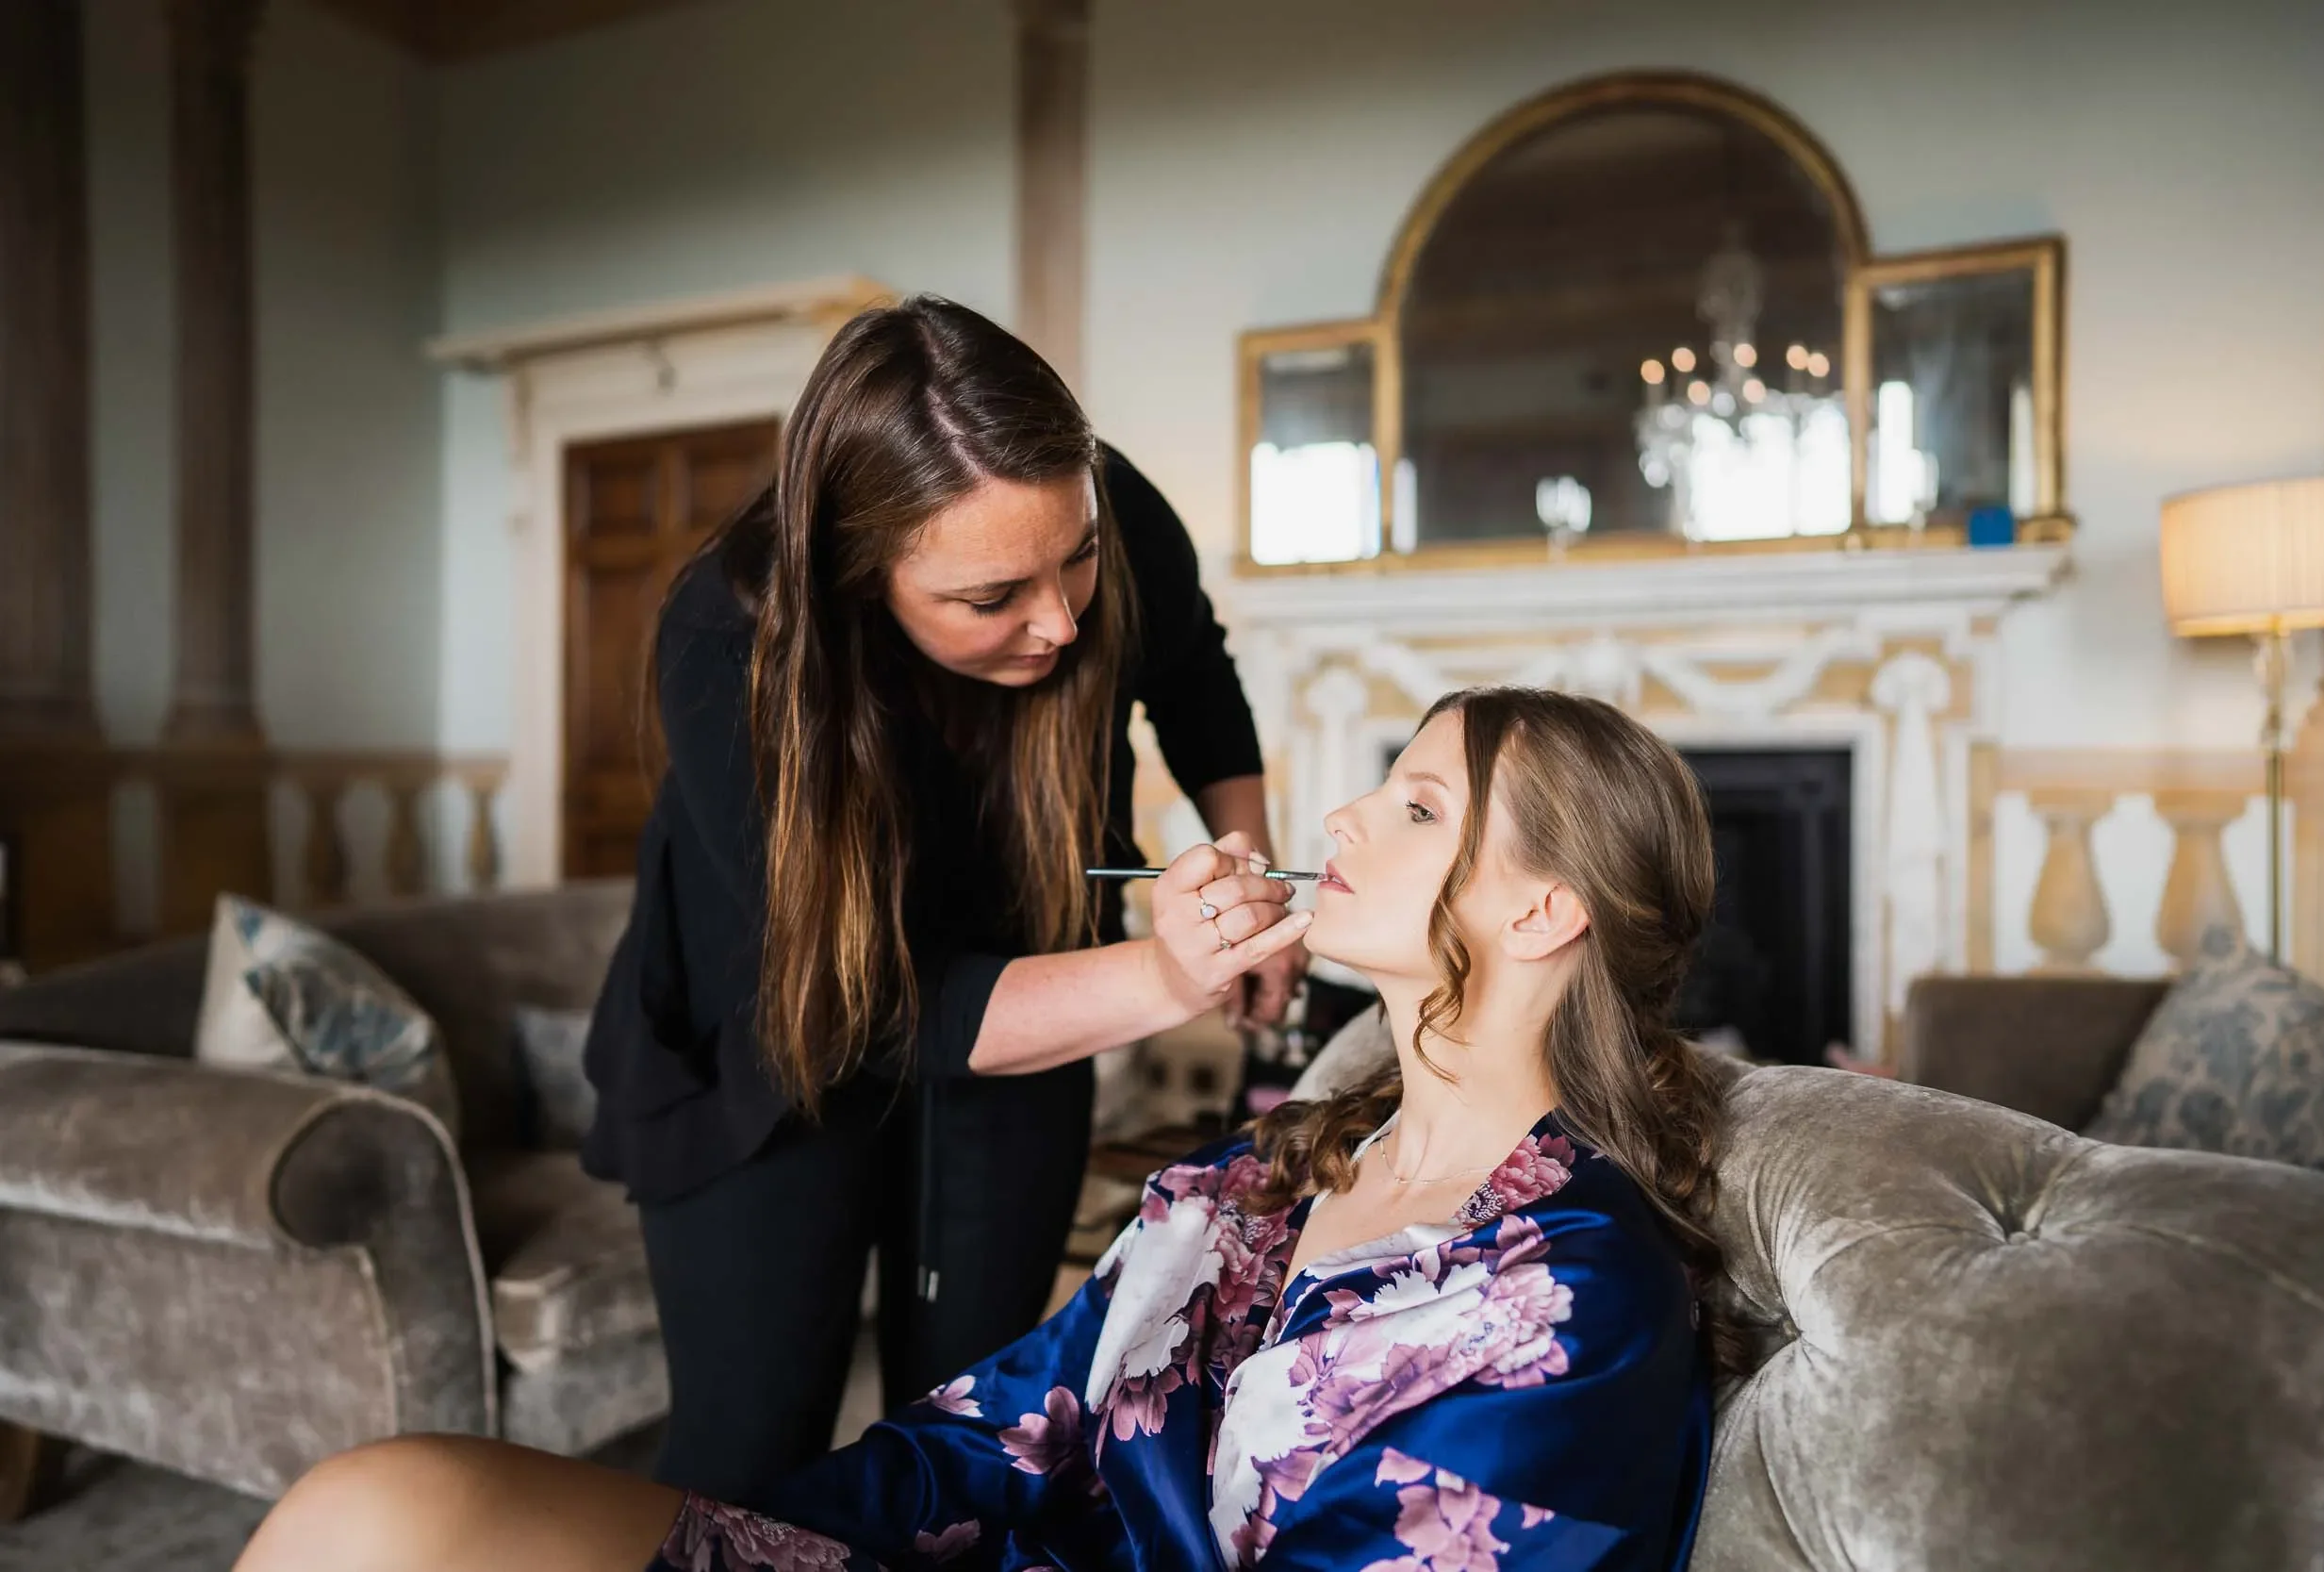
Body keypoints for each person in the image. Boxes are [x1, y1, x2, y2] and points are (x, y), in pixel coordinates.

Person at [235, 685, 1735, 1572]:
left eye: (1413, 807)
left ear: (1544, 907)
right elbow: (991, 1430)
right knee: (380, 1499)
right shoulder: (1248, 1182)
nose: (1338, 818)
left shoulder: (1570, 1295)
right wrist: (736, 1535)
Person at [578, 295, 1310, 1498]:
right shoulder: (728, 635)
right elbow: (870, 1012)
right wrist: (1168, 975)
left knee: (970, 1426)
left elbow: (1192, 674)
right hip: (776, 1043)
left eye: (1073, 560)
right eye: (994, 598)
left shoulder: (1104, 508)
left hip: (1021, 1011)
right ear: (867, 576)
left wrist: (1255, 863)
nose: (1063, 622)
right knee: (750, 1444)